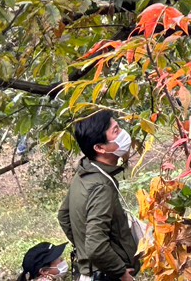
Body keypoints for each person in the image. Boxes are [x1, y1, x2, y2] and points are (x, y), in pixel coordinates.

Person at [56, 110, 140, 281]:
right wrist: (121, 273)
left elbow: (63, 215)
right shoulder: (101, 185)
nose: (123, 133)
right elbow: (96, 246)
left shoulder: (85, 172)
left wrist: (85, 254)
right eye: (115, 131)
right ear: (100, 147)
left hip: (90, 274)